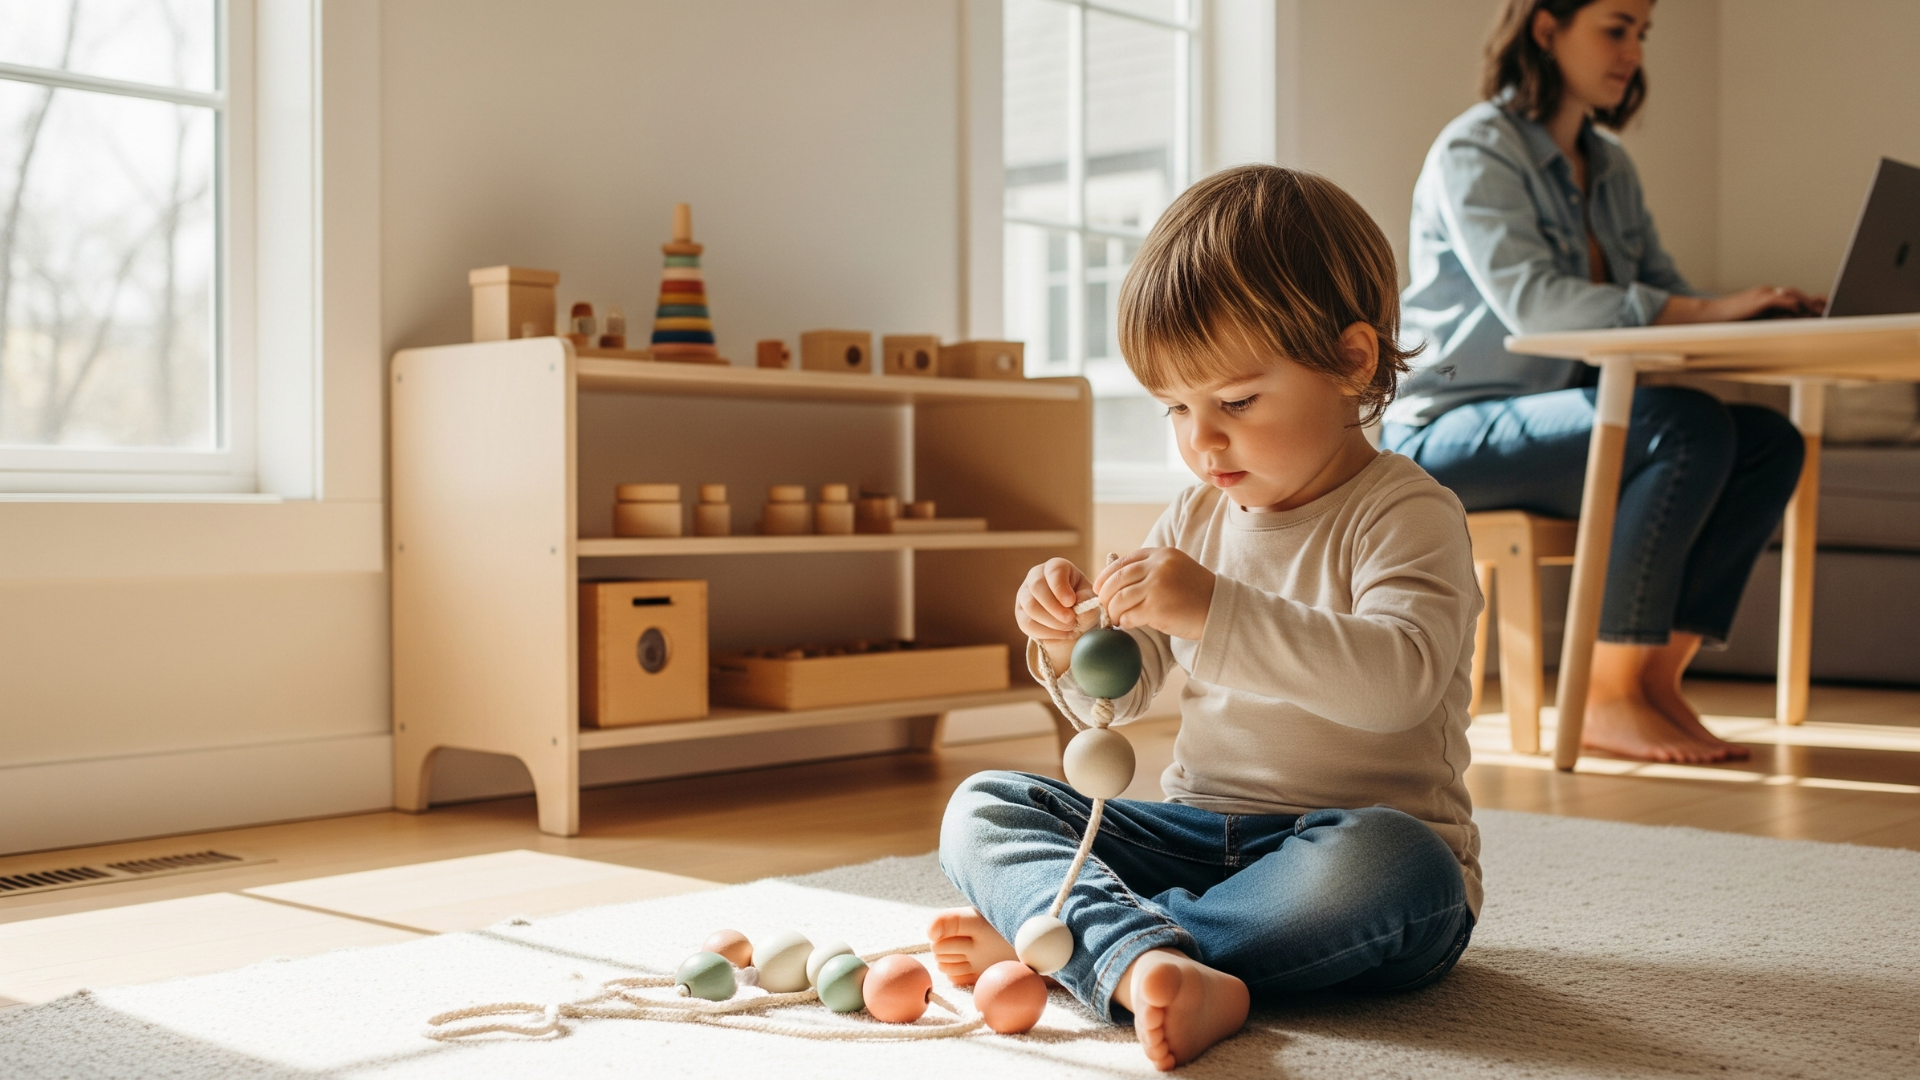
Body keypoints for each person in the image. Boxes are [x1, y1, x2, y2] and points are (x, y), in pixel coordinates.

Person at [929, 166, 1482, 1071]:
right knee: (985, 804)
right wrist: (1072, 643)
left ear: (1353, 361)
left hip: (1343, 852)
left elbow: (1396, 684)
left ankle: (1074, 943)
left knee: (1400, 867)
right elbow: (1126, 693)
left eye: (1235, 401)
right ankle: (1131, 951)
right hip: (1200, 839)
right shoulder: (1193, 514)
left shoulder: (1406, 513)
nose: (1201, 440)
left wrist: (1216, 608)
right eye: (1176, 409)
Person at [1385, 0, 1814, 763]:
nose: (1632, 52)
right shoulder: (1475, 151)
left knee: (1769, 440)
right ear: (1547, 30)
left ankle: (1653, 681)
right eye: (1616, 28)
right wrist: (1708, 309)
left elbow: (1662, 290)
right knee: (1683, 428)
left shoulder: (1609, 165)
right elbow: (1538, 305)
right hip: (1446, 429)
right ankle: (1606, 693)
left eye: (1642, 34)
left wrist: (1751, 313)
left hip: (1556, 423)